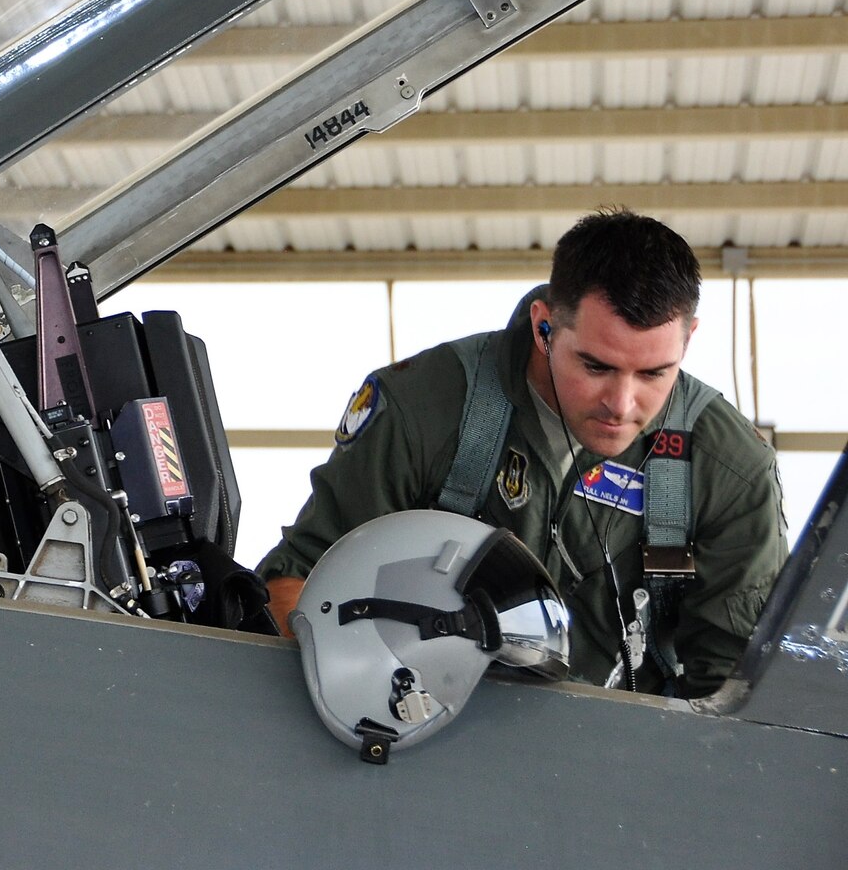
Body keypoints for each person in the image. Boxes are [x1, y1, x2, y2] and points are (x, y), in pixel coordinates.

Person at [257, 209, 786, 697]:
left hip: (625, 760)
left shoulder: (729, 470)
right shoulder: (424, 410)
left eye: (654, 373)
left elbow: (735, 691)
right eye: (596, 366)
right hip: (425, 734)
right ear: (544, 327)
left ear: (689, 339)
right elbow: (300, 578)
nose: (622, 404)